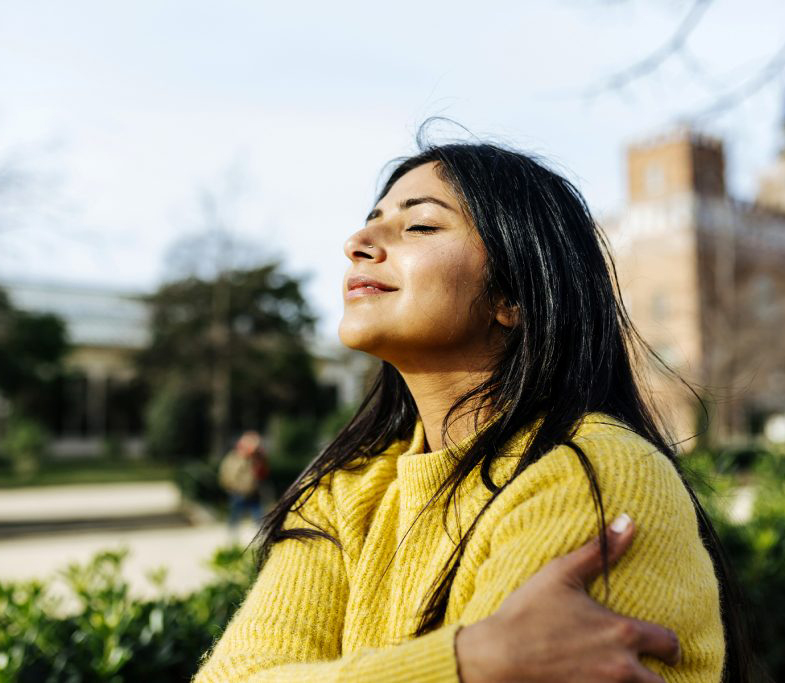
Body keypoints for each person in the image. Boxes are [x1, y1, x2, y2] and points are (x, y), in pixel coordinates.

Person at [194, 138, 753, 682]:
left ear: (513, 296)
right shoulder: (342, 493)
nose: (358, 241)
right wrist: (467, 662)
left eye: (420, 225)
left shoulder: (592, 475)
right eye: (372, 218)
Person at [218, 430, 270, 535]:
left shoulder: (256, 458)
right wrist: (232, 487)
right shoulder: (235, 457)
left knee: (258, 515)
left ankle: (262, 535)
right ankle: (232, 537)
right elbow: (228, 475)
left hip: (253, 491)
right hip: (238, 492)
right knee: (235, 516)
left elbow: (263, 473)